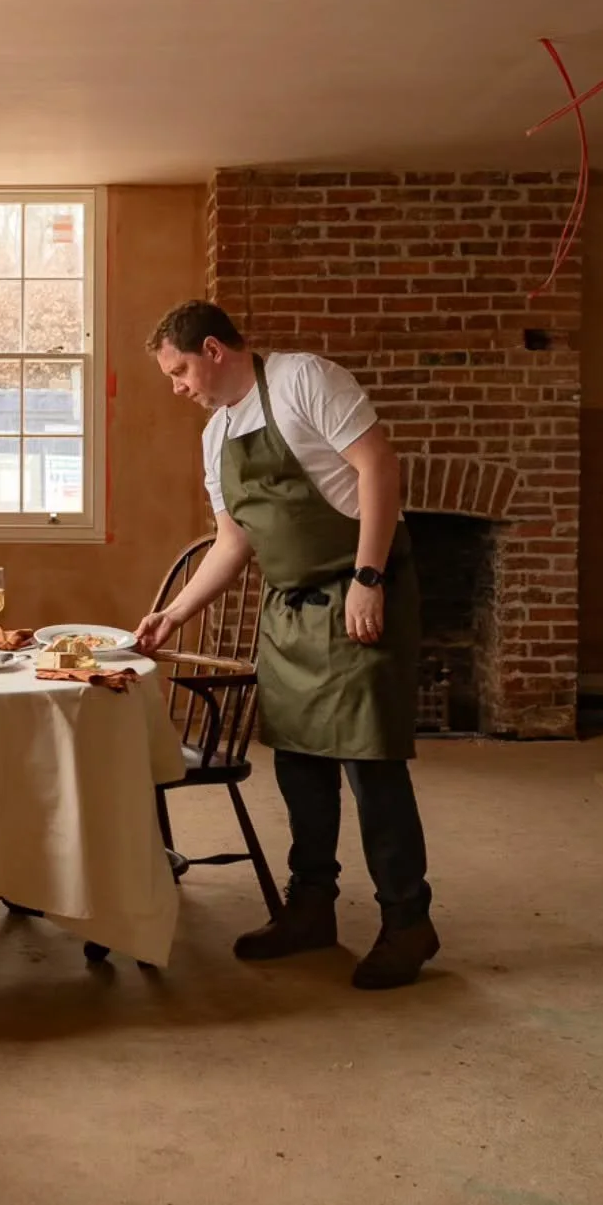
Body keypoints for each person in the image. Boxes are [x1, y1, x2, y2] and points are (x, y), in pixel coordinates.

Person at [134, 300, 439, 989]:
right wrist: (172, 614)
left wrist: (369, 576)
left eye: (179, 370)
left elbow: (379, 470)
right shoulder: (217, 438)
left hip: (358, 590)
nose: (178, 387)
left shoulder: (306, 380)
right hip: (291, 611)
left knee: (371, 764)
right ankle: (311, 910)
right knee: (300, 764)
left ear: (213, 349)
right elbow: (234, 541)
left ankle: (408, 921)